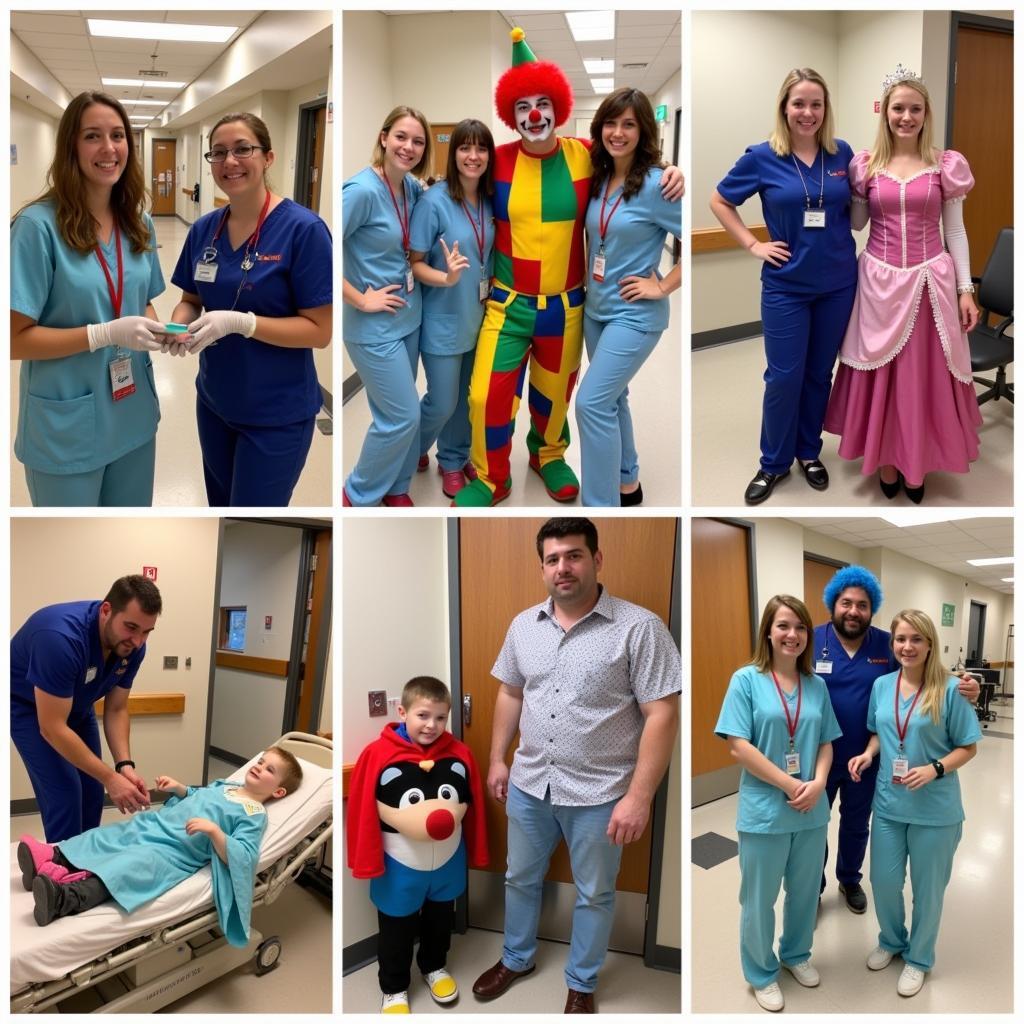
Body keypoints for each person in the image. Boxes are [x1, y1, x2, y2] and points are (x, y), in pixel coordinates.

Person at [454, 29, 683, 507]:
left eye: (542, 103)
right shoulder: (493, 162)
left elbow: (635, 168)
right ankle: (492, 477)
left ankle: (548, 454)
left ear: (558, 108)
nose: (533, 115)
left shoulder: (587, 156)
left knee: (555, 395)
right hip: (508, 303)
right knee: (485, 397)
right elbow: (446, 191)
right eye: (522, 107)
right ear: (511, 114)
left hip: (569, 305)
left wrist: (673, 172)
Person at [472, 518, 680, 1013]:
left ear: (596, 559)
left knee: (594, 894)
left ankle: (581, 983)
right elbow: (510, 691)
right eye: (552, 559)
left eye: (574, 555)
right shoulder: (524, 625)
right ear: (542, 567)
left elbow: (662, 713)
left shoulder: (640, 627)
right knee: (519, 878)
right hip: (529, 785)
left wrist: (639, 798)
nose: (562, 568)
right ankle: (516, 958)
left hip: (601, 794)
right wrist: (497, 758)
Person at [824, 68, 981, 504]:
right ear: (886, 113)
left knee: (920, 379)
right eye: (899, 108)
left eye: (915, 109)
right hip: (878, 278)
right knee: (882, 377)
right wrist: (850, 193)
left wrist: (965, 289)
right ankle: (887, 460)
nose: (906, 117)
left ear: (925, 113)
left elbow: (957, 231)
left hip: (931, 280)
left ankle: (917, 463)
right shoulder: (866, 165)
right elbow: (857, 224)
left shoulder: (944, 164)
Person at [10, 91, 166, 507]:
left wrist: (160, 332)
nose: (109, 148)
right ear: (70, 147)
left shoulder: (140, 222)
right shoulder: (36, 228)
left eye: (118, 135)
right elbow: (13, 339)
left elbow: (144, 302)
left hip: (133, 416)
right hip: (67, 425)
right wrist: (101, 333)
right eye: (92, 136)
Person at [169, 112, 332, 507]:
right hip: (214, 401)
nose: (230, 162)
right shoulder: (204, 229)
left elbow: (319, 332)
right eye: (219, 153)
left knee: (249, 514)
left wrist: (244, 323)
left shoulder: (303, 230)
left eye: (243, 149)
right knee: (220, 507)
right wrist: (177, 329)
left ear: (269, 158)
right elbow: (190, 299)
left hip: (276, 414)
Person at [710, 68, 857, 505]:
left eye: (816, 104)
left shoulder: (841, 154)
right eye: (799, 103)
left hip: (837, 283)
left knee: (818, 373)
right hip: (785, 286)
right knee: (783, 377)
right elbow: (720, 200)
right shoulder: (761, 156)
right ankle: (773, 462)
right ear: (784, 108)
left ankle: (808, 452)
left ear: (825, 109)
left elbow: (862, 204)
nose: (807, 112)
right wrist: (753, 244)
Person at [814, 565, 978, 914]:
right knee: (815, 826)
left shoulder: (884, 643)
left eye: (862, 604)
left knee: (857, 824)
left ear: (872, 609)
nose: (853, 610)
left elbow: (920, 670)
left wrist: (966, 685)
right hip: (820, 755)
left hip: (871, 755)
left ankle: (849, 878)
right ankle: (813, 884)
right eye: (846, 603)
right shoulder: (811, 641)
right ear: (834, 603)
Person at [19, 746, 303, 948]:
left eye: (269, 769)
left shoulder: (253, 814)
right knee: (105, 837)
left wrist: (215, 832)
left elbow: (245, 855)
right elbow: (196, 795)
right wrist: (179, 788)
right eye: (261, 760)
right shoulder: (225, 786)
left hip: (174, 852)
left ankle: (65, 897)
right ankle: (52, 856)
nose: (258, 766)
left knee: (128, 867)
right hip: (153, 826)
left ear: (278, 791)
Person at [715, 594, 841, 1013]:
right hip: (766, 810)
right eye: (784, 626)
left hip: (810, 809)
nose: (793, 635)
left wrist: (820, 781)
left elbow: (826, 741)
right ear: (768, 631)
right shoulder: (746, 679)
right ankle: (761, 972)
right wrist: (791, 783)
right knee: (758, 898)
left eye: (801, 627)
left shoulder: (816, 685)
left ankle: (796, 954)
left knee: (805, 892)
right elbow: (738, 744)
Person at [848, 609, 981, 997]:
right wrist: (869, 754)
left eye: (916, 639)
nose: (907, 646)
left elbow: (968, 747)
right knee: (883, 882)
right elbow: (878, 733)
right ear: (893, 644)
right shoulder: (882, 686)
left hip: (935, 810)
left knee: (928, 890)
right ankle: (891, 940)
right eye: (900, 639)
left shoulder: (952, 688)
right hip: (889, 804)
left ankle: (919, 958)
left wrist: (935, 768)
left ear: (929, 644)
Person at [347, 676, 488, 1013]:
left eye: (441, 717)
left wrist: (478, 848)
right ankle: (394, 987)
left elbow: (475, 805)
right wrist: (365, 859)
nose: (432, 725)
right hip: (399, 864)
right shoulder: (378, 754)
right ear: (402, 711)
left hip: (447, 862)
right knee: (396, 927)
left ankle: (434, 966)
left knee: (441, 920)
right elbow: (362, 811)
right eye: (423, 715)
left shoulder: (459, 753)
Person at [576, 87, 682, 507]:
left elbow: (691, 235)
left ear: (644, 131)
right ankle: (627, 481)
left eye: (629, 124)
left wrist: (663, 284)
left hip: (635, 314)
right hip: (596, 309)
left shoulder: (658, 184)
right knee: (613, 397)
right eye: (611, 122)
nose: (618, 132)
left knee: (590, 402)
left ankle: (602, 505)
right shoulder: (597, 175)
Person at [11, 575, 162, 843]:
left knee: (93, 789)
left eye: (147, 631)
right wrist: (110, 778)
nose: (138, 641)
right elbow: (52, 727)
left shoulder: (132, 647)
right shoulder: (60, 638)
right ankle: (61, 876)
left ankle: (84, 864)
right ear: (106, 611)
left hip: (78, 707)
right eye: (131, 627)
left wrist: (123, 766)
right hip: (27, 707)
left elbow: (116, 709)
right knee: (65, 791)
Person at [342, 107, 431, 507]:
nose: (408, 147)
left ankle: (396, 487)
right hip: (372, 325)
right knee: (403, 416)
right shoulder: (360, 191)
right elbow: (315, 255)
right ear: (383, 138)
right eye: (400, 137)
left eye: (417, 141)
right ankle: (357, 495)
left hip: (407, 317)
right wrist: (361, 298)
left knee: (393, 412)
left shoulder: (410, 187)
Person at [409, 119, 496, 499]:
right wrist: (444, 278)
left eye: (481, 148)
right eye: (465, 148)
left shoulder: (492, 199)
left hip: (479, 315)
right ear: (453, 153)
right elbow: (414, 262)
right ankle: (408, 449)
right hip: (443, 318)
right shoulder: (434, 201)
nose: (473, 156)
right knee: (442, 400)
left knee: (465, 398)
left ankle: (453, 458)